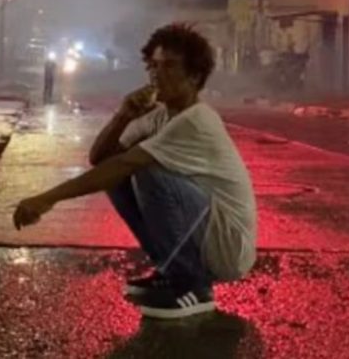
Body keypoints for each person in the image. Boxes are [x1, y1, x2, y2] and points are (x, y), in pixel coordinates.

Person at [14, 24, 257, 320]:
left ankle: (193, 286)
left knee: (144, 170)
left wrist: (47, 198)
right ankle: (172, 270)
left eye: (169, 66)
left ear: (194, 76)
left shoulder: (196, 120)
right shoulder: (159, 117)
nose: (157, 74)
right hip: (207, 235)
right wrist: (124, 114)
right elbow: (100, 159)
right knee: (119, 177)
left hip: (227, 245)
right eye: (153, 65)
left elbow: (125, 163)